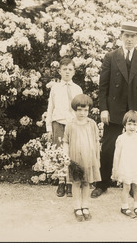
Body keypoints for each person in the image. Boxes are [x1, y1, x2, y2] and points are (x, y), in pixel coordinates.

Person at [91, 21, 137, 198]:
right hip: (114, 111)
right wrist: (103, 109)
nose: (129, 39)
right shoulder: (111, 57)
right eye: (126, 36)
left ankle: (133, 186)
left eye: (133, 36)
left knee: (133, 149)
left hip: (134, 112)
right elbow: (102, 87)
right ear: (121, 36)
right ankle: (102, 184)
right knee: (109, 147)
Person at [46, 57, 83, 197]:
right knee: (60, 153)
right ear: (59, 71)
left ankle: (70, 183)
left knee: (72, 153)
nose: (67, 72)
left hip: (73, 125)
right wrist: (49, 128)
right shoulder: (55, 88)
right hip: (58, 123)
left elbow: (81, 109)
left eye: (70, 70)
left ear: (74, 72)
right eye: (64, 69)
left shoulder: (77, 88)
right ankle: (61, 182)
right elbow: (50, 108)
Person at [63, 94, 101, 222]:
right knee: (76, 182)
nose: (82, 113)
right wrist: (66, 155)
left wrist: (96, 158)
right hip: (75, 159)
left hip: (89, 158)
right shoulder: (70, 125)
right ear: (74, 109)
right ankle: (76, 206)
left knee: (86, 182)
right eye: (79, 109)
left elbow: (96, 141)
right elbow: (65, 141)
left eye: (85, 110)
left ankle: (85, 205)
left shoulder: (92, 124)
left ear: (89, 110)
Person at [111, 110, 137, 218]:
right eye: (129, 124)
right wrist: (115, 169)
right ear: (125, 124)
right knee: (126, 187)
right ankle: (124, 207)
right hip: (125, 166)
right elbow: (117, 155)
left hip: (136, 166)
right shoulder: (121, 139)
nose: (132, 127)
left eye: (134, 124)